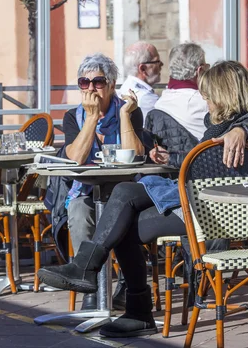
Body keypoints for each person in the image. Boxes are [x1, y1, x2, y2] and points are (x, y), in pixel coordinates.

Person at [37, 61, 248, 338]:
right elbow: (206, 161)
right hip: (200, 200)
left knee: (121, 222)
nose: (204, 100)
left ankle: (130, 304)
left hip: (224, 212)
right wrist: (172, 158)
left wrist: (241, 130)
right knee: (123, 194)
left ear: (225, 94)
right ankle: (97, 277)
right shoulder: (222, 123)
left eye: (207, 95)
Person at [61, 52, 144, 309]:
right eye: (84, 83)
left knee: (123, 218)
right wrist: (91, 118)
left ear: (111, 85)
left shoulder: (129, 110)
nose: (91, 89)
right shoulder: (73, 116)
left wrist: (123, 118)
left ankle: (125, 286)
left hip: (123, 190)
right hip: (87, 189)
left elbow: (136, 157)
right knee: (77, 210)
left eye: (97, 82)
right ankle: (90, 285)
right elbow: (75, 159)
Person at [145, 42, 209, 167]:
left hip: (170, 175)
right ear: (200, 70)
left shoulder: (159, 103)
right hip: (204, 172)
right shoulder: (205, 103)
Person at [116, 41, 162, 119]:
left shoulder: (126, 87)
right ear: (143, 68)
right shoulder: (147, 99)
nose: (161, 64)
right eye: (157, 61)